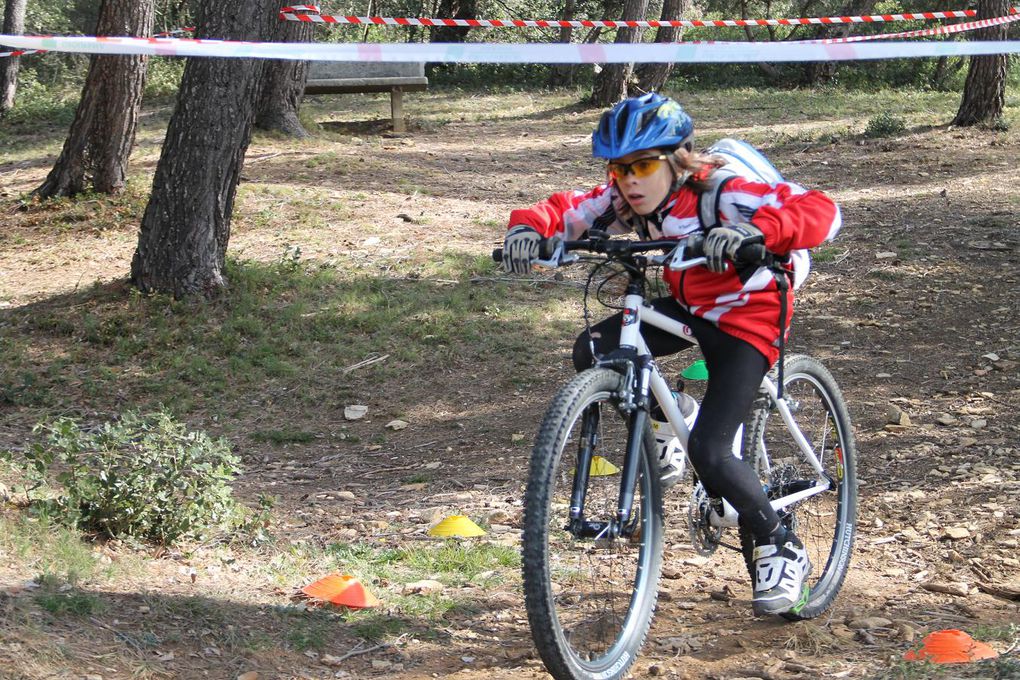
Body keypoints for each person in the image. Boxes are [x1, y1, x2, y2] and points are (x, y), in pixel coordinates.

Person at [502, 92, 841, 616]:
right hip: (692, 303)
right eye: (619, 168)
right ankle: (672, 414)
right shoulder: (623, 199)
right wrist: (529, 230)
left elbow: (820, 209)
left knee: (712, 451)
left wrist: (755, 232)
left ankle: (779, 541)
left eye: (642, 166)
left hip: (750, 313)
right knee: (595, 349)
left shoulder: (721, 191)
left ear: (676, 159)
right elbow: (567, 209)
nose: (629, 180)